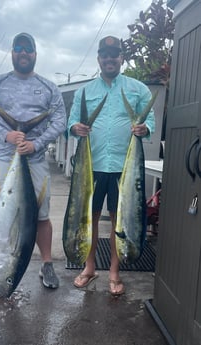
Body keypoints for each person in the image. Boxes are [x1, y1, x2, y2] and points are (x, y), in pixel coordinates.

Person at [0, 32, 66, 289]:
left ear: (35, 54)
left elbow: (59, 120)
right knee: (3, 215)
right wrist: (7, 134)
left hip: (35, 160)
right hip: (6, 159)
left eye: (29, 49)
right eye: (19, 48)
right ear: (13, 52)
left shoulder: (49, 87)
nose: (24, 53)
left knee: (42, 215)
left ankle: (47, 264)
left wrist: (35, 143)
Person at [67, 36, 155, 295]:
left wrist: (145, 127)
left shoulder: (138, 89)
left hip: (123, 168)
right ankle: (90, 267)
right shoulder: (85, 91)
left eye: (114, 54)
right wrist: (75, 127)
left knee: (121, 221)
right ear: (99, 59)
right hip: (91, 166)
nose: (109, 59)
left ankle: (114, 272)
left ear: (121, 58)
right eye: (105, 55)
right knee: (89, 220)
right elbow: (71, 122)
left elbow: (149, 117)